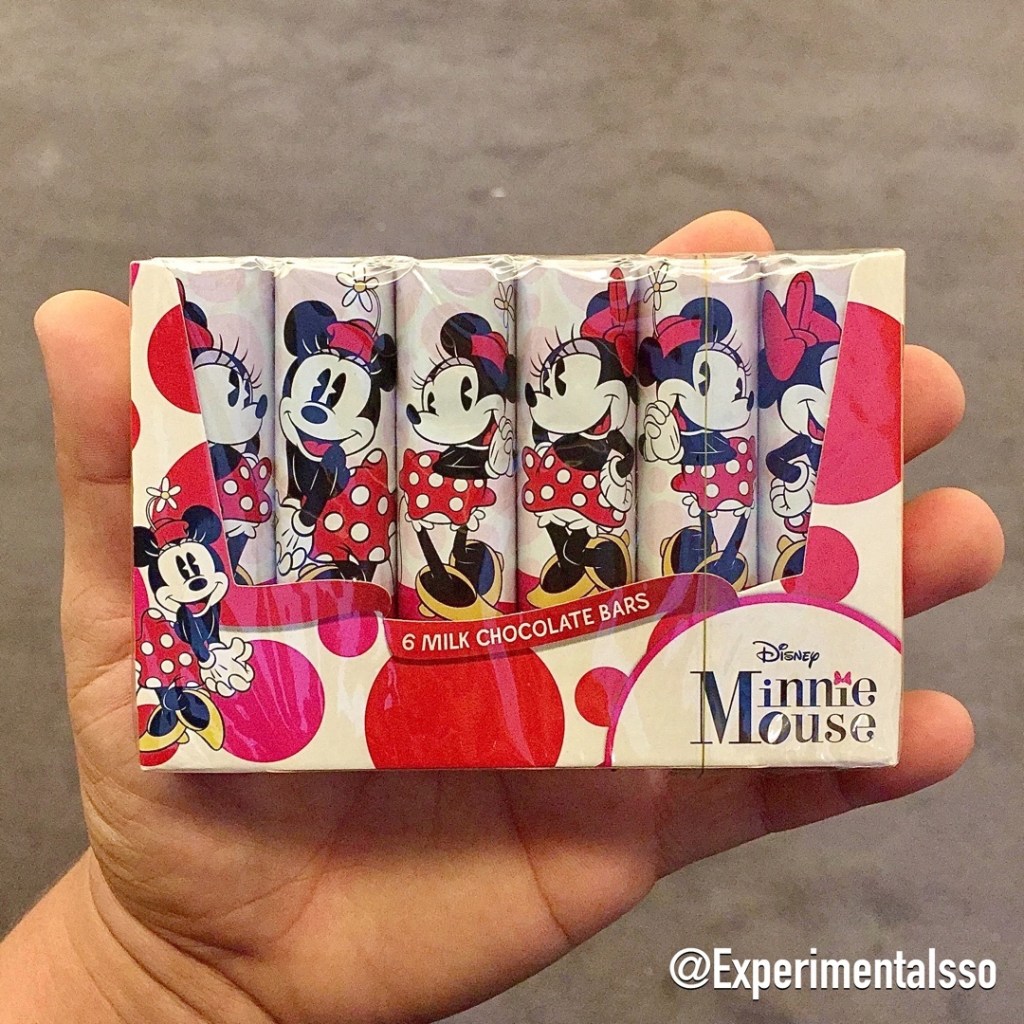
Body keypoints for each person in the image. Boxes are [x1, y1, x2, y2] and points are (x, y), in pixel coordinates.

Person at [0, 212, 1003, 1023]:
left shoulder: (653, 447)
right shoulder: (342, 458)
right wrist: (156, 975)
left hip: (643, 619)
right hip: (343, 636)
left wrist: (153, 981)